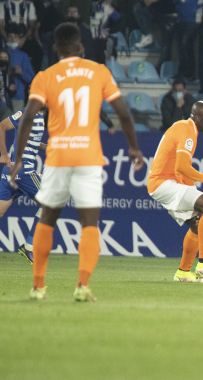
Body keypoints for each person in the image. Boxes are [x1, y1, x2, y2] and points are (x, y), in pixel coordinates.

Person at [8, 22, 144, 302]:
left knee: (46, 219)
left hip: (58, 157)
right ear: (80, 46)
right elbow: (123, 113)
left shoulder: (46, 76)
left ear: (55, 48)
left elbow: (28, 117)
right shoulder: (99, 72)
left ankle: (38, 286)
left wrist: (18, 159)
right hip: (88, 158)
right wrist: (133, 147)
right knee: (89, 223)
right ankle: (82, 286)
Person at [147, 101, 203, 282]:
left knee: (198, 223)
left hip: (166, 182)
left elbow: (179, 167)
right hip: (163, 183)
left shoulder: (186, 128)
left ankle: (183, 272)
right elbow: (182, 166)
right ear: (196, 117)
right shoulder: (188, 131)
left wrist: (191, 188)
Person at [0, 109, 44, 263]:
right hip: (25, 172)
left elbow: (29, 140)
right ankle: (28, 247)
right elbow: (2, 126)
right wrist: (4, 155)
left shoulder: (36, 115)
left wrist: (46, 147)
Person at [174, 0, 203, 80]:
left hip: (194, 21)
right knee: (182, 47)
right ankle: (183, 72)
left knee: (185, 43)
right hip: (181, 20)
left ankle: (189, 73)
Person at [5, 30, 34, 111]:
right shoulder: (2, 53)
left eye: (15, 37)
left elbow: (31, 79)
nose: (12, 39)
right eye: (10, 36)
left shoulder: (23, 56)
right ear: (6, 38)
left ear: (19, 39)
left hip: (17, 96)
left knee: (16, 122)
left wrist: (21, 73)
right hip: (2, 97)